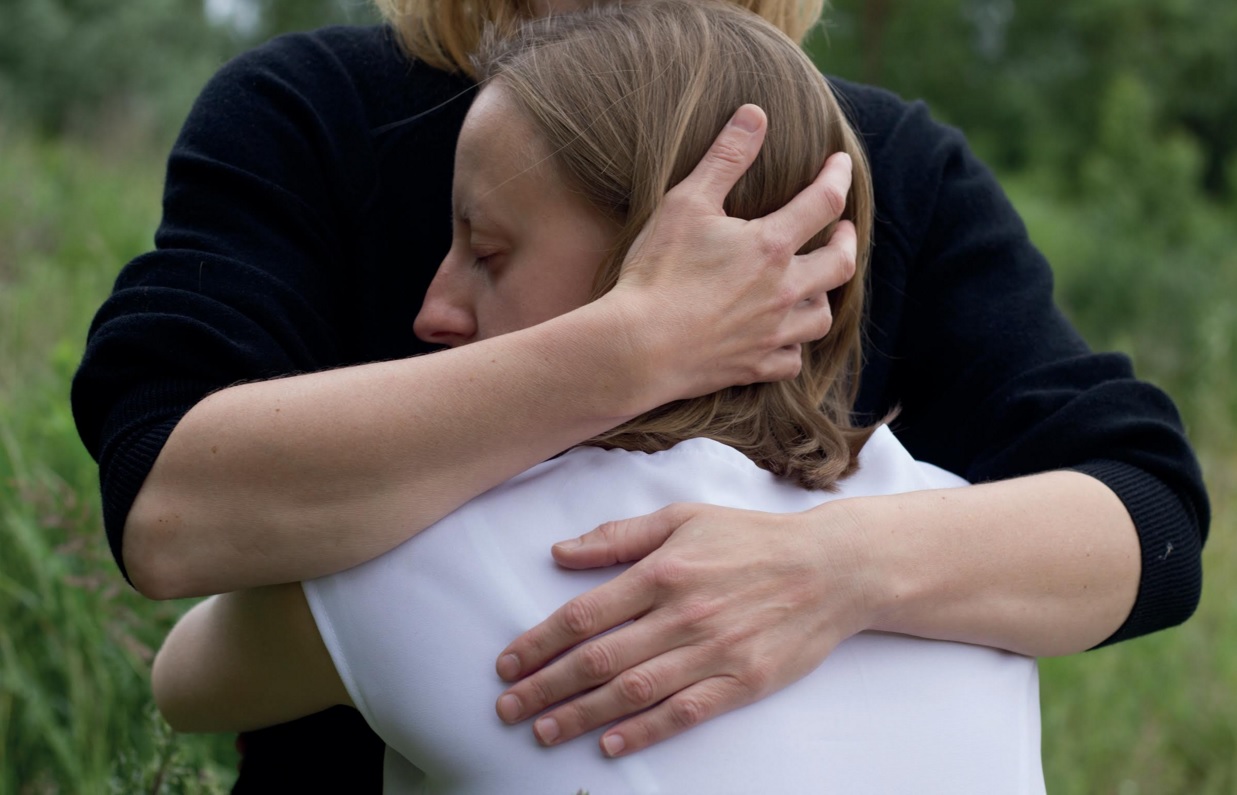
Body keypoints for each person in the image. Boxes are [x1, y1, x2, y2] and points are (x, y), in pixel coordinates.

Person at [70, 0, 1206, 788]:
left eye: (487, 251)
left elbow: (1144, 520)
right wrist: (636, 346)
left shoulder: (884, 161)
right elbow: (171, 511)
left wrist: (834, 572)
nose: (435, 306)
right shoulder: (312, 110)